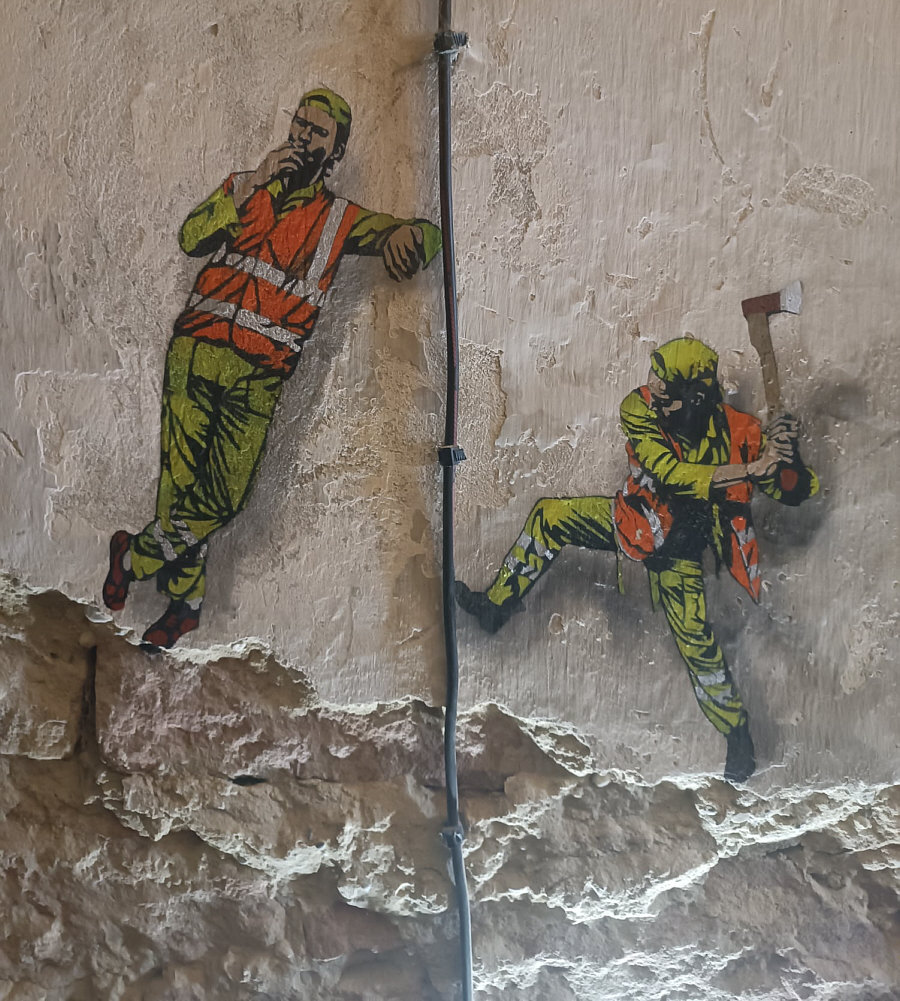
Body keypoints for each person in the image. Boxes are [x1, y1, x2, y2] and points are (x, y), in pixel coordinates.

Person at [103, 88, 441, 648]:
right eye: (300, 124)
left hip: (258, 376)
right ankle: (184, 604)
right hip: (195, 351)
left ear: (335, 152)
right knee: (179, 488)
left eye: (318, 132)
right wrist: (252, 185)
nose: (303, 137)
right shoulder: (246, 187)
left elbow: (411, 232)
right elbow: (191, 237)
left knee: (224, 498)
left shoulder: (338, 219)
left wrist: (417, 238)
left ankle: (132, 557)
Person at [456, 337, 818, 782]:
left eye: (666, 392)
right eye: (654, 383)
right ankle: (495, 606)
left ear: (695, 399)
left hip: (679, 552)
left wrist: (786, 460)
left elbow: (792, 490)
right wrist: (750, 470)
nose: (653, 395)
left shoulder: (741, 433)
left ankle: (736, 734)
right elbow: (671, 473)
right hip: (635, 519)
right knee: (549, 517)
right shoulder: (639, 409)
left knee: (697, 645)